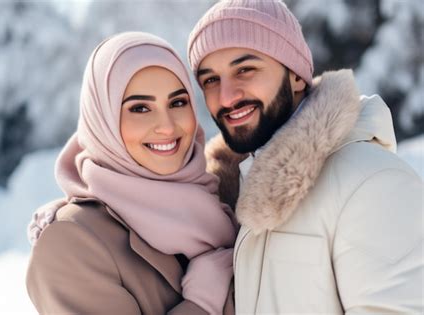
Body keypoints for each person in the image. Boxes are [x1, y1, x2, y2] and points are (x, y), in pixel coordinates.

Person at [188, 0, 424, 313]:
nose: (226, 96)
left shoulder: (371, 182)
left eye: (245, 69)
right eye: (210, 80)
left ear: (297, 76)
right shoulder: (232, 195)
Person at [26, 31, 237, 315]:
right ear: (104, 121)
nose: (167, 126)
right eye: (140, 108)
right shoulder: (72, 242)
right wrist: (201, 304)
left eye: (177, 103)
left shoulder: (222, 199)